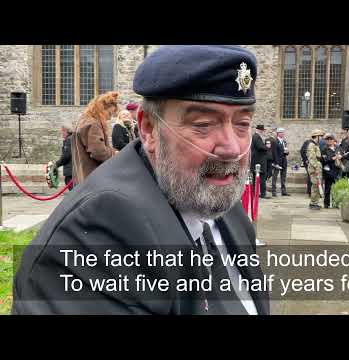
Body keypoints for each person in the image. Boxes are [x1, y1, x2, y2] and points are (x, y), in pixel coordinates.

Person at [12, 45, 270, 315]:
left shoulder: (221, 204)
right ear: (148, 129)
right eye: (203, 124)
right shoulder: (101, 229)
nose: (231, 148)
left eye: (242, 124)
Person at [72, 91, 119, 185]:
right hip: (92, 178)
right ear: (101, 109)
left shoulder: (84, 121)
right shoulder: (93, 124)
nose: (109, 118)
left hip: (85, 178)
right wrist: (115, 153)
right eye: (109, 114)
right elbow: (98, 152)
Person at [321, 134, 342, 209]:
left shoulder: (338, 148)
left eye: (331, 139)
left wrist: (340, 157)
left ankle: (335, 203)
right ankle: (326, 204)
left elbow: (342, 156)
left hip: (337, 171)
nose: (329, 141)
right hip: (328, 172)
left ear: (334, 140)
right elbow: (324, 160)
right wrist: (333, 158)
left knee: (336, 188)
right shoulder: (324, 149)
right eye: (327, 139)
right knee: (327, 189)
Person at [250, 124, 269, 198]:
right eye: (262, 130)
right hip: (259, 161)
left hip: (257, 161)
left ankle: (256, 193)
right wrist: (267, 147)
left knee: (257, 179)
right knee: (262, 178)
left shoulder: (256, 137)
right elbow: (260, 147)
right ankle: (262, 193)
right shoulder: (256, 137)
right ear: (259, 130)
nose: (263, 132)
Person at [307, 130, 324, 210]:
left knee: (316, 185)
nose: (321, 138)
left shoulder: (315, 145)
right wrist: (316, 167)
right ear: (316, 136)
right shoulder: (311, 145)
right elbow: (312, 158)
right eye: (320, 136)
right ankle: (313, 203)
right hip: (314, 168)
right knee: (315, 185)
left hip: (317, 167)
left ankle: (315, 202)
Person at [54, 123, 74, 191]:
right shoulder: (72, 138)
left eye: (62, 131)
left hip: (70, 171)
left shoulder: (69, 140)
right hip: (72, 170)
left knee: (73, 191)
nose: (61, 132)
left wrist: (57, 164)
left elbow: (66, 156)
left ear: (66, 131)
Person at [271, 127, 290, 196]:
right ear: (278, 133)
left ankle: (283, 191)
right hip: (277, 161)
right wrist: (275, 162)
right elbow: (274, 152)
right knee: (275, 177)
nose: (282, 133)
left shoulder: (284, 141)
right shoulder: (275, 141)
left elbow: (286, 151)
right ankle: (273, 191)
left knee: (283, 177)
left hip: (284, 161)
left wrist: (287, 152)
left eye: (283, 132)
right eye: (281, 132)